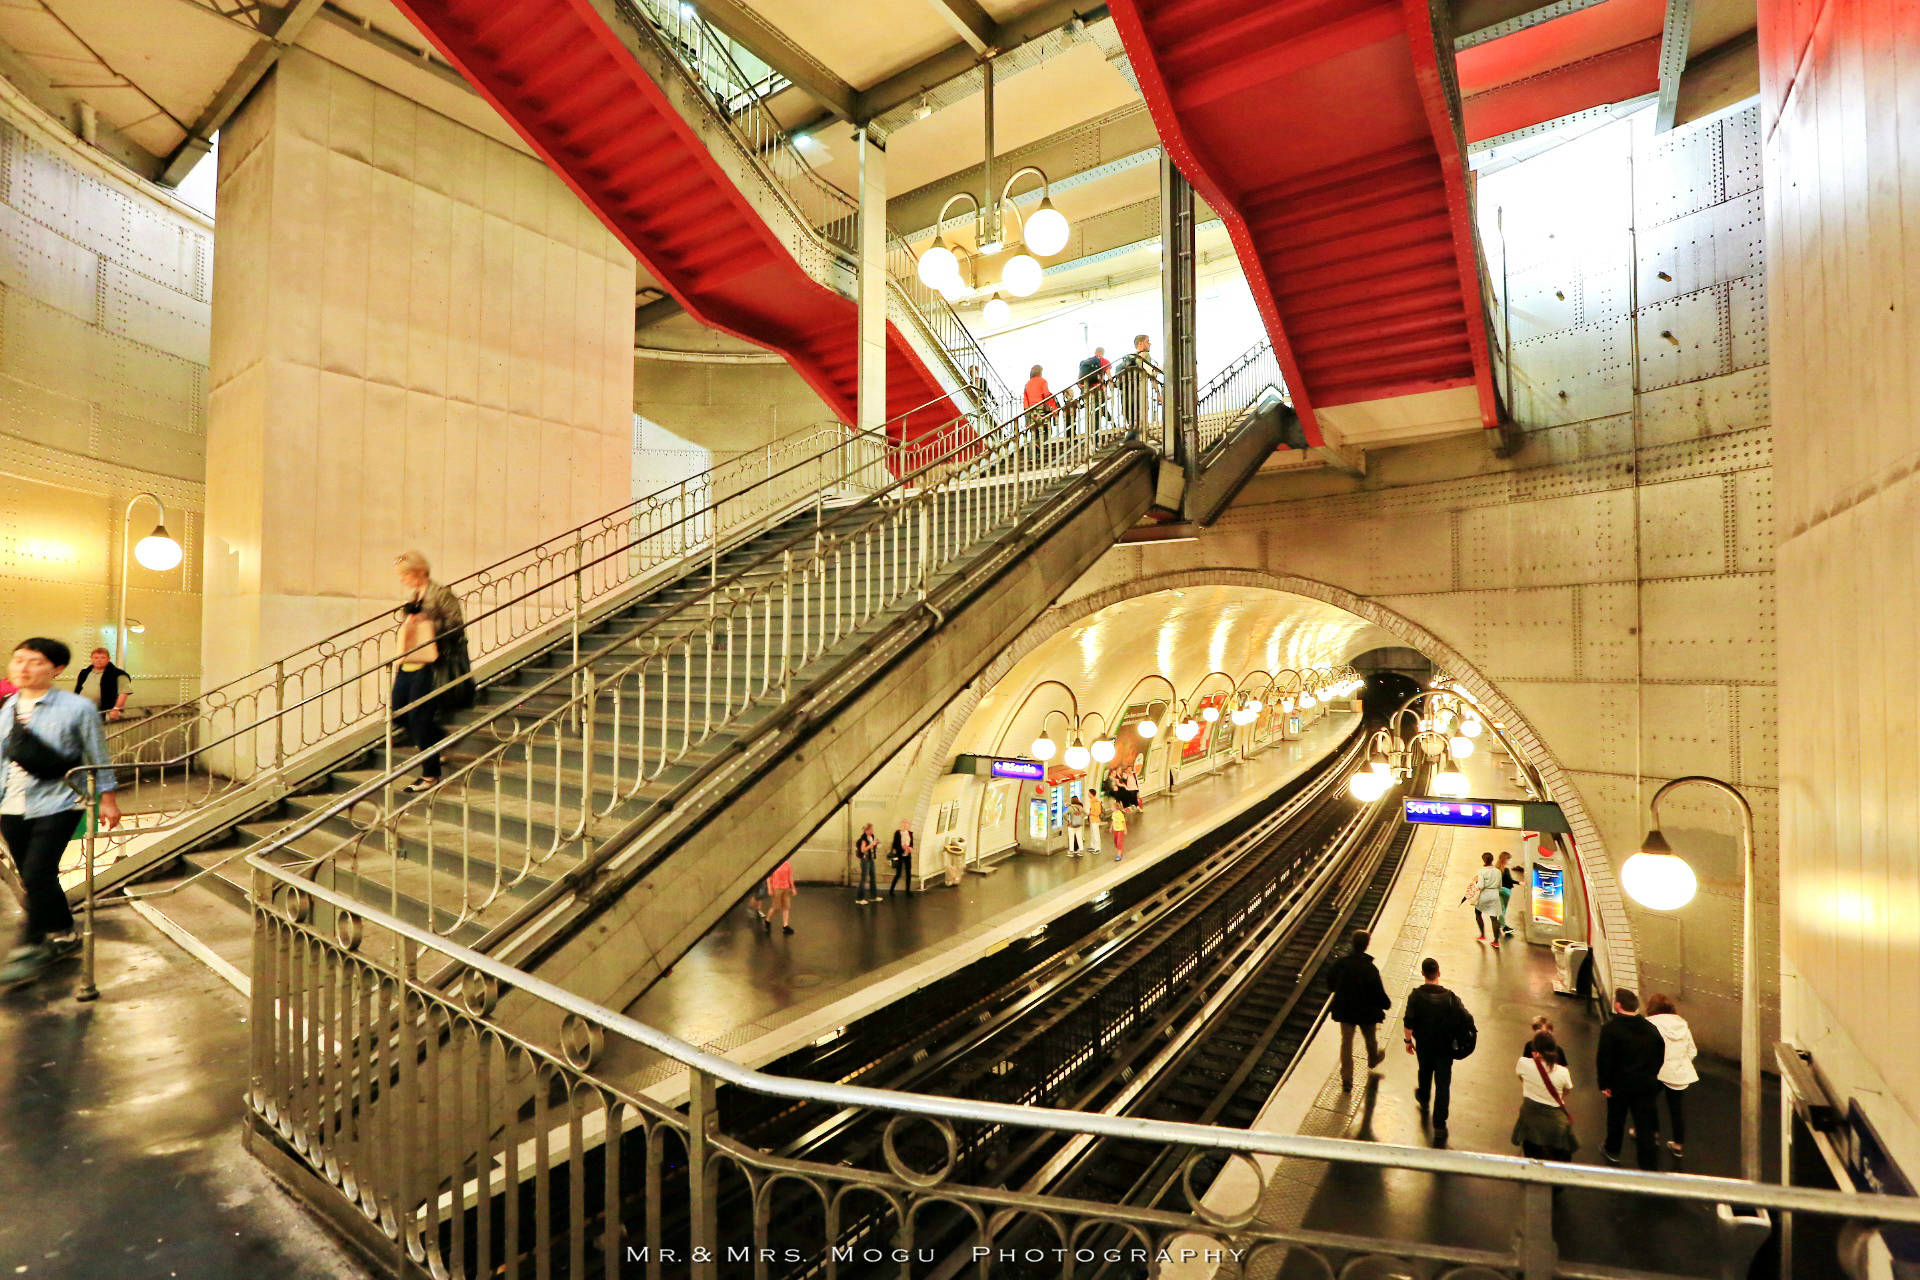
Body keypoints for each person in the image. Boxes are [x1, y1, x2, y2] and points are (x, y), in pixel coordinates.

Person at [0, 637, 121, 986]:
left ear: (57, 669)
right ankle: (65, 934)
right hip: (11, 805)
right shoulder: (6, 708)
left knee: (38, 873)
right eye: (18, 659)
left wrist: (108, 799)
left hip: (60, 801)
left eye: (35, 661)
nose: (23, 667)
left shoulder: (77, 708)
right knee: (34, 876)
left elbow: (97, 755)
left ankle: (29, 946)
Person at [393, 551, 469, 793]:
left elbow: (456, 626)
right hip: (410, 660)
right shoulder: (416, 594)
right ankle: (439, 740)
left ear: (418, 572)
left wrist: (428, 622)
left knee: (419, 717)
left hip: (431, 663)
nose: (402, 580)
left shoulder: (441, 594)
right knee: (399, 713)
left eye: (405, 575)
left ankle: (430, 774)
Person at [1402, 957, 1473, 1143]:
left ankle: (1424, 1098)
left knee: (1424, 1072)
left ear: (1423, 973)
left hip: (1424, 1046)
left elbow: (1408, 1023)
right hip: (1445, 1049)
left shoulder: (1415, 996)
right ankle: (1440, 1125)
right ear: (1439, 973)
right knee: (1443, 1085)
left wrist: (1408, 1041)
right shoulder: (1450, 998)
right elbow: (1467, 1018)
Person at [1597, 987, 1666, 1168]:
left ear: (1618, 1005)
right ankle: (1647, 1163)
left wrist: (1604, 1084)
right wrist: (1651, 1075)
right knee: (1644, 1124)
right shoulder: (1651, 1029)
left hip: (1619, 1085)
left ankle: (1612, 1151)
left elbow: (1604, 1059)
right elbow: (1659, 1056)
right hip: (1645, 1084)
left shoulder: (1610, 1029)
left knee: (1616, 1119)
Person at [1327, 929, 1390, 1091]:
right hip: (1366, 1012)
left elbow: (1330, 983)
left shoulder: (1341, 964)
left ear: (1352, 943)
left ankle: (1347, 1079)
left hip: (1346, 1010)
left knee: (1346, 1043)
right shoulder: (1370, 968)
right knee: (1370, 1038)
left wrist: (1339, 990)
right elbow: (1378, 991)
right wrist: (1386, 1003)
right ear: (1367, 945)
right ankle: (1373, 1058)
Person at [1645, 993, 1699, 1156]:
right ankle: (1678, 1145)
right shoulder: (1682, 1025)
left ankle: (1653, 1134)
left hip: (1657, 1072)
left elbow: (1645, 1048)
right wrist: (1679, 1062)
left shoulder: (1649, 1024)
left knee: (1648, 1101)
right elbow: (1692, 1051)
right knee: (1676, 1109)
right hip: (1678, 1073)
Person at [1512, 1031, 1578, 1160]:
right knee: (1558, 1157)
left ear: (1534, 1049)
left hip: (1530, 1115)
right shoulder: (1563, 1072)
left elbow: (1522, 1079)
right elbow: (1566, 1091)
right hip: (1555, 1121)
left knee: (1531, 1155)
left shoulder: (1523, 1063)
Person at [73, 648, 131, 721]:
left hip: (104, 713)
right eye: (96, 658)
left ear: (108, 659)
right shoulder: (84, 673)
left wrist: (116, 708)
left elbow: (124, 693)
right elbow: (78, 690)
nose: (99, 660)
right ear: (91, 659)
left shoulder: (118, 674)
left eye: (103, 658)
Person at [1464, 851, 1503, 948]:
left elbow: (1480, 886)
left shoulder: (1482, 871)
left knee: (1478, 913)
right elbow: (1500, 886)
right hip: (1494, 895)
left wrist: (1475, 882)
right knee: (1494, 919)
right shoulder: (1498, 871)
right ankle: (1496, 941)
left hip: (1484, 895)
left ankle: (1482, 935)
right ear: (1492, 860)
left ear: (1483, 860)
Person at [765, 858, 795, 934]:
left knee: (786, 907)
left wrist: (793, 888)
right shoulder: (774, 864)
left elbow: (790, 876)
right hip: (777, 889)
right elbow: (769, 877)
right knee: (776, 907)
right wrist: (770, 889)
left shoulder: (787, 864)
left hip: (786, 888)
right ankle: (767, 919)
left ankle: (785, 926)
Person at [853, 822, 880, 904]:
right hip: (865, 859)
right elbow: (863, 850)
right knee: (864, 878)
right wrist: (871, 845)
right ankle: (859, 898)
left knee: (873, 877)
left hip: (870, 858)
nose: (872, 830)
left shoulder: (871, 836)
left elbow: (872, 847)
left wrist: (876, 844)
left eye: (872, 829)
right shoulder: (863, 838)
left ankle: (873, 896)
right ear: (866, 830)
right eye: (871, 829)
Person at [1495, 850, 1518, 938]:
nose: (1511, 861)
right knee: (1503, 910)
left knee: (1501, 909)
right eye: (1510, 859)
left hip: (1497, 890)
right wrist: (1519, 882)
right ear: (1506, 860)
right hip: (1506, 891)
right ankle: (1504, 926)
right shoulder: (1506, 870)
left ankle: (1500, 924)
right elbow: (1509, 881)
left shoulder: (1495, 868)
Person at [888, 820, 914, 895]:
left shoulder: (910, 833)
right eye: (903, 824)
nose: (905, 826)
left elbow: (911, 843)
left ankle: (908, 890)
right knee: (898, 873)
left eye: (906, 824)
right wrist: (902, 847)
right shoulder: (898, 833)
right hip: (900, 855)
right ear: (901, 825)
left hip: (907, 855)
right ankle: (891, 890)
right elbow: (894, 845)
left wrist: (910, 848)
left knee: (908, 873)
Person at [1085, 789, 1103, 854]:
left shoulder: (1096, 802)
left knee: (1096, 834)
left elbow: (1098, 812)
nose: (1088, 794)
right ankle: (1093, 846)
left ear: (1091, 794)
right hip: (1092, 819)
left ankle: (1098, 848)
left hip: (1095, 820)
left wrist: (1090, 813)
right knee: (1092, 834)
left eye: (1089, 793)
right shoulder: (1092, 801)